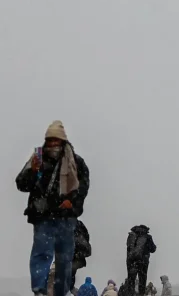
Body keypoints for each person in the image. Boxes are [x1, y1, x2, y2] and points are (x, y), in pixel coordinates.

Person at [16, 121, 91, 296]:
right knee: (42, 253)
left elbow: (83, 186)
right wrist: (32, 171)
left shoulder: (76, 162)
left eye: (55, 141)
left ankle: (60, 291)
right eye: (49, 141)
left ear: (63, 141)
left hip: (66, 216)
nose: (52, 145)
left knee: (64, 259)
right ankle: (39, 290)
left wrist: (72, 202)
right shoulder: (38, 158)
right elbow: (21, 184)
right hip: (42, 215)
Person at [125, 225, 157, 296]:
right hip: (143, 262)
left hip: (131, 262)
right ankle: (141, 294)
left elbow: (128, 248)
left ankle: (130, 294)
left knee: (131, 281)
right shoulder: (148, 237)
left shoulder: (131, 236)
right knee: (142, 280)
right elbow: (153, 249)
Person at [71, 220, 92, 294]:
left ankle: (69, 287)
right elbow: (87, 235)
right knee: (72, 271)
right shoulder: (79, 224)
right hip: (78, 254)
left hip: (73, 254)